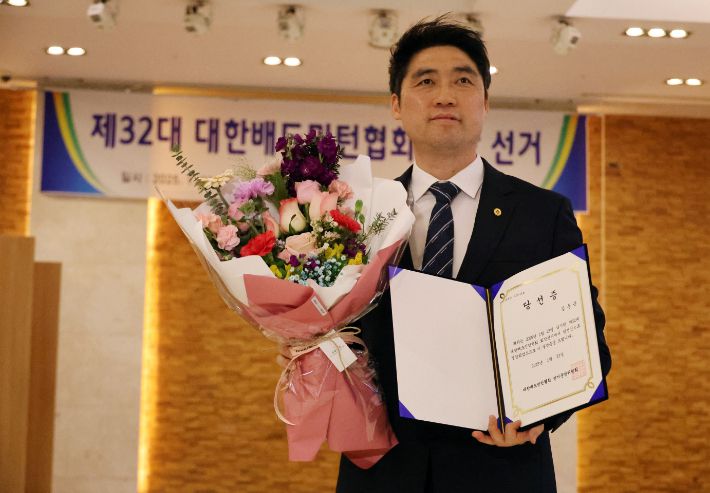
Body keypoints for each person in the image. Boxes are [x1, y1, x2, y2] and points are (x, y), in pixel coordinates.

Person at [335, 16, 612, 493]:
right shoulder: (356, 217)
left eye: (463, 81)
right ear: (397, 104)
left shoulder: (542, 214)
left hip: (502, 469)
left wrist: (540, 416)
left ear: (485, 101)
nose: (445, 96)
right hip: (383, 473)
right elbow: (340, 336)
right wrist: (308, 352)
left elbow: (588, 346)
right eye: (426, 81)